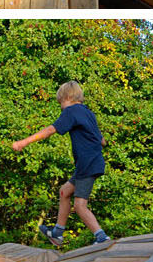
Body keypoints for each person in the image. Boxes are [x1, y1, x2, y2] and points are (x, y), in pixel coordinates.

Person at [12, 80, 109, 249]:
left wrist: (24, 142)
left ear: (67, 97)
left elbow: (51, 130)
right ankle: (57, 233)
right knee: (64, 192)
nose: (61, 107)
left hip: (88, 163)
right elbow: (102, 140)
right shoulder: (88, 113)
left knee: (80, 205)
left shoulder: (71, 111)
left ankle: (101, 238)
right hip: (89, 163)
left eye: (60, 102)